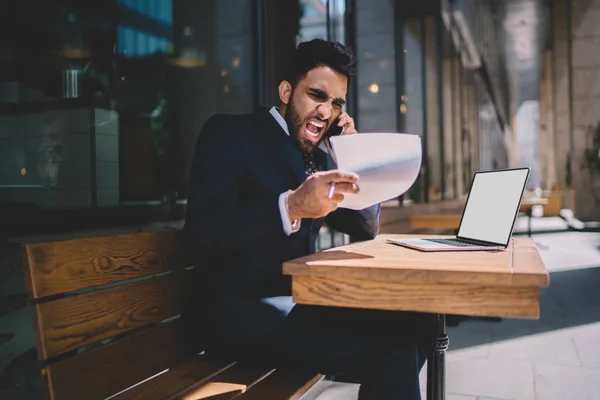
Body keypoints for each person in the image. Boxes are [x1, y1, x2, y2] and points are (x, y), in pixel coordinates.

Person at [184, 39, 429, 400]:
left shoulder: (320, 157)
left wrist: (352, 155)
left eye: (336, 103)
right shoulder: (231, 134)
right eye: (316, 95)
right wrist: (291, 207)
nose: (326, 111)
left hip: (299, 307)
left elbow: (364, 226)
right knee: (393, 348)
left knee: (418, 323)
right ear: (286, 91)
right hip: (235, 316)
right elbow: (201, 233)